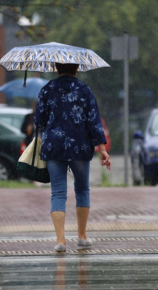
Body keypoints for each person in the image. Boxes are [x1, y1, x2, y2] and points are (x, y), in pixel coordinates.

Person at [34, 62, 111, 252]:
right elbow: (94, 120)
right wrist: (102, 148)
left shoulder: (47, 89)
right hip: (80, 146)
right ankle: (82, 236)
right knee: (82, 189)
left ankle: (60, 241)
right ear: (76, 69)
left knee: (58, 193)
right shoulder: (84, 90)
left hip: (54, 147)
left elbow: (39, 121)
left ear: (56, 68)